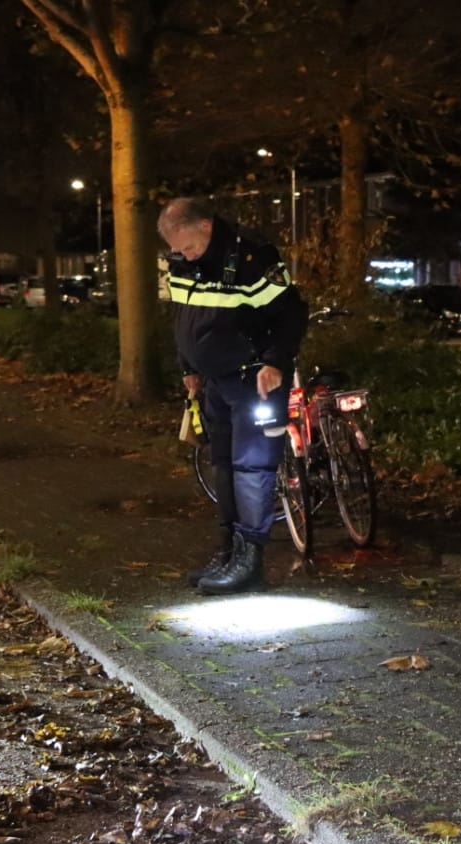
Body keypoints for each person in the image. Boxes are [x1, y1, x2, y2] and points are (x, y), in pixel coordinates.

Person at [160, 197, 307, 594]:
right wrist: (188, 367)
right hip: (214, 381)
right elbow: (182, 317)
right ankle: (228, 551)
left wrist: (274, 362)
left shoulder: (251, 257)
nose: (185, 255)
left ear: (206, 226)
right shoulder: (182, 262)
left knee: (252, 468)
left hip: (255, 380)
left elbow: (290, 313)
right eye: (178, 250)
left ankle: (250, 561)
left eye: (189, 247)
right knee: (223, 466)